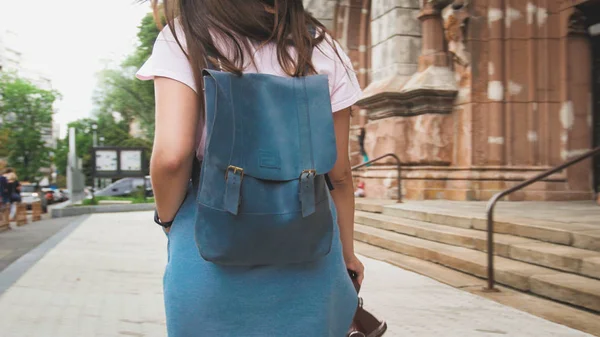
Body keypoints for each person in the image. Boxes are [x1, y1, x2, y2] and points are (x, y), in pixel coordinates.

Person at [136, 1, 364, 336]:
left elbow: (172, 156)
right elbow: (340, 174)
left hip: (208, 246)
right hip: (312, 244)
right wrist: (347, 253)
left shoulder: (186, 35)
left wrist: (170, 221)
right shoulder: (319, 44)